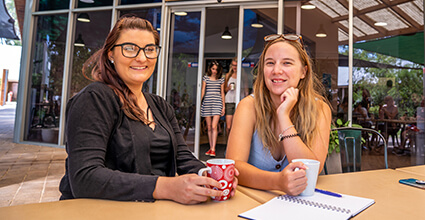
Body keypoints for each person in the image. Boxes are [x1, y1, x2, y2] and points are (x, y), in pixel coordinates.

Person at [59, 16, 237, 204]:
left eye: (150, 49)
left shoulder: (160, 106)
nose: (142, 57)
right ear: (111, 54)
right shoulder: (94, 98)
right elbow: (84, 178)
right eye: (130, 48)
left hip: (150, 212)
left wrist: (210, 177)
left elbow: (182, 157)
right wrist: (167, 187)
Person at [226, 34, 331, 196]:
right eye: (270, 63)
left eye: (287, 63)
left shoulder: (320, 109)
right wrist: (278, 181)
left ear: (304, 71)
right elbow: (234, 165)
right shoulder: (248, 106)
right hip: (252, 203)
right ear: (263, 70)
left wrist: (284, 117)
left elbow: (311, 171)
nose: (276, 70)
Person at [201, 61, 225, 157]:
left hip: (217, 103)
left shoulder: (221, 80)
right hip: (207, 102)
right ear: (210, 69)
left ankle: (213, 148)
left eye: (216, 69)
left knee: (214, 126)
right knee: (209, 127)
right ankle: (210, 148)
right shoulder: (205, 78)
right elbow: (203, 90)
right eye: (213, 69)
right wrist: (200, 101)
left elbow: (222, 93)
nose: (214, 71)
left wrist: (223, 107)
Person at [224, 57, 238, 136]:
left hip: (238, 101)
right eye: (233, 65)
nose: (234, 67)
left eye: (236, 65)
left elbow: (246, 89)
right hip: (229, 101)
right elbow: (225, 90)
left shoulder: (242, 75)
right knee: (229, 126)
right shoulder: (227, 75)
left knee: (235, 126)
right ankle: (229, 142)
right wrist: (228, 88)